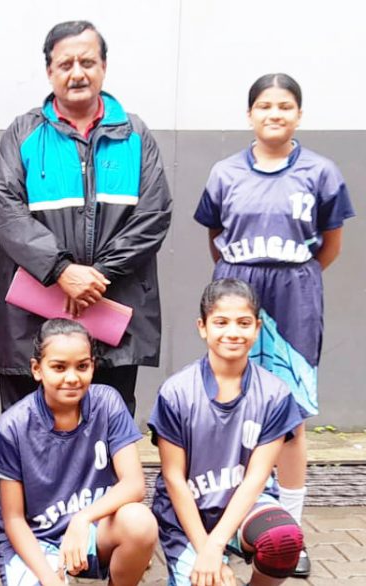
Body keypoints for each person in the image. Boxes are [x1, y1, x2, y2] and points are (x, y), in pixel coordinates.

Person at [193, 73, 355, 577]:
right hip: (238, 286)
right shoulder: (224, 173)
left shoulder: (321, 172)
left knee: (290, 416)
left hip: (295, 295)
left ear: (299, 114)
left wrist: (293, 276)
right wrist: (241, 279)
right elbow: (216, 237)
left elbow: (330, 244)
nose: (275, 114)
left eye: (285, 106)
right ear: (250, 114)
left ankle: (292, 529)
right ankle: (231, 521)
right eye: (264, 105)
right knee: (229, 403)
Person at [0, 20, 172, 414]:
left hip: (113, 308)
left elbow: (154, 215)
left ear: (103, 66)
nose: (77, 73)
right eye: (65, 64)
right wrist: (60, 270)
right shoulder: (23, 133)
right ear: (49, 71)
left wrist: (96, 276)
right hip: (33, 318)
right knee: (28, 427)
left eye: (87, 62)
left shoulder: (135, 136)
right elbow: (5, 212)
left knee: (107, 425)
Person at [149, 279, 305, 586]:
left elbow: (256, 478)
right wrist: (206, 550)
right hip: (188, 515)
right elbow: (173, 478)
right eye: (221, 322)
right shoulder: (176, 392)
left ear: (257, 328)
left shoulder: (275, 393)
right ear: (203, 327)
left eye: (243, 323)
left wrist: (217, 544)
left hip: (245, 505)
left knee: (283, 541)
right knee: (210, 581)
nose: (233, 332)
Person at [0, 319, 156, 586]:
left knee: (140, 522)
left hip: (91, 529)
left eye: (82, 366)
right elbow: (14, 520)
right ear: (37, 369)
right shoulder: (12, 426)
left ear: (93, 366)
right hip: (36, 538)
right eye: (59, 367)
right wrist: (49, 578)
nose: (72, 378)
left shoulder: (107, 403)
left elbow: (134, 485)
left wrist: (83, 519)